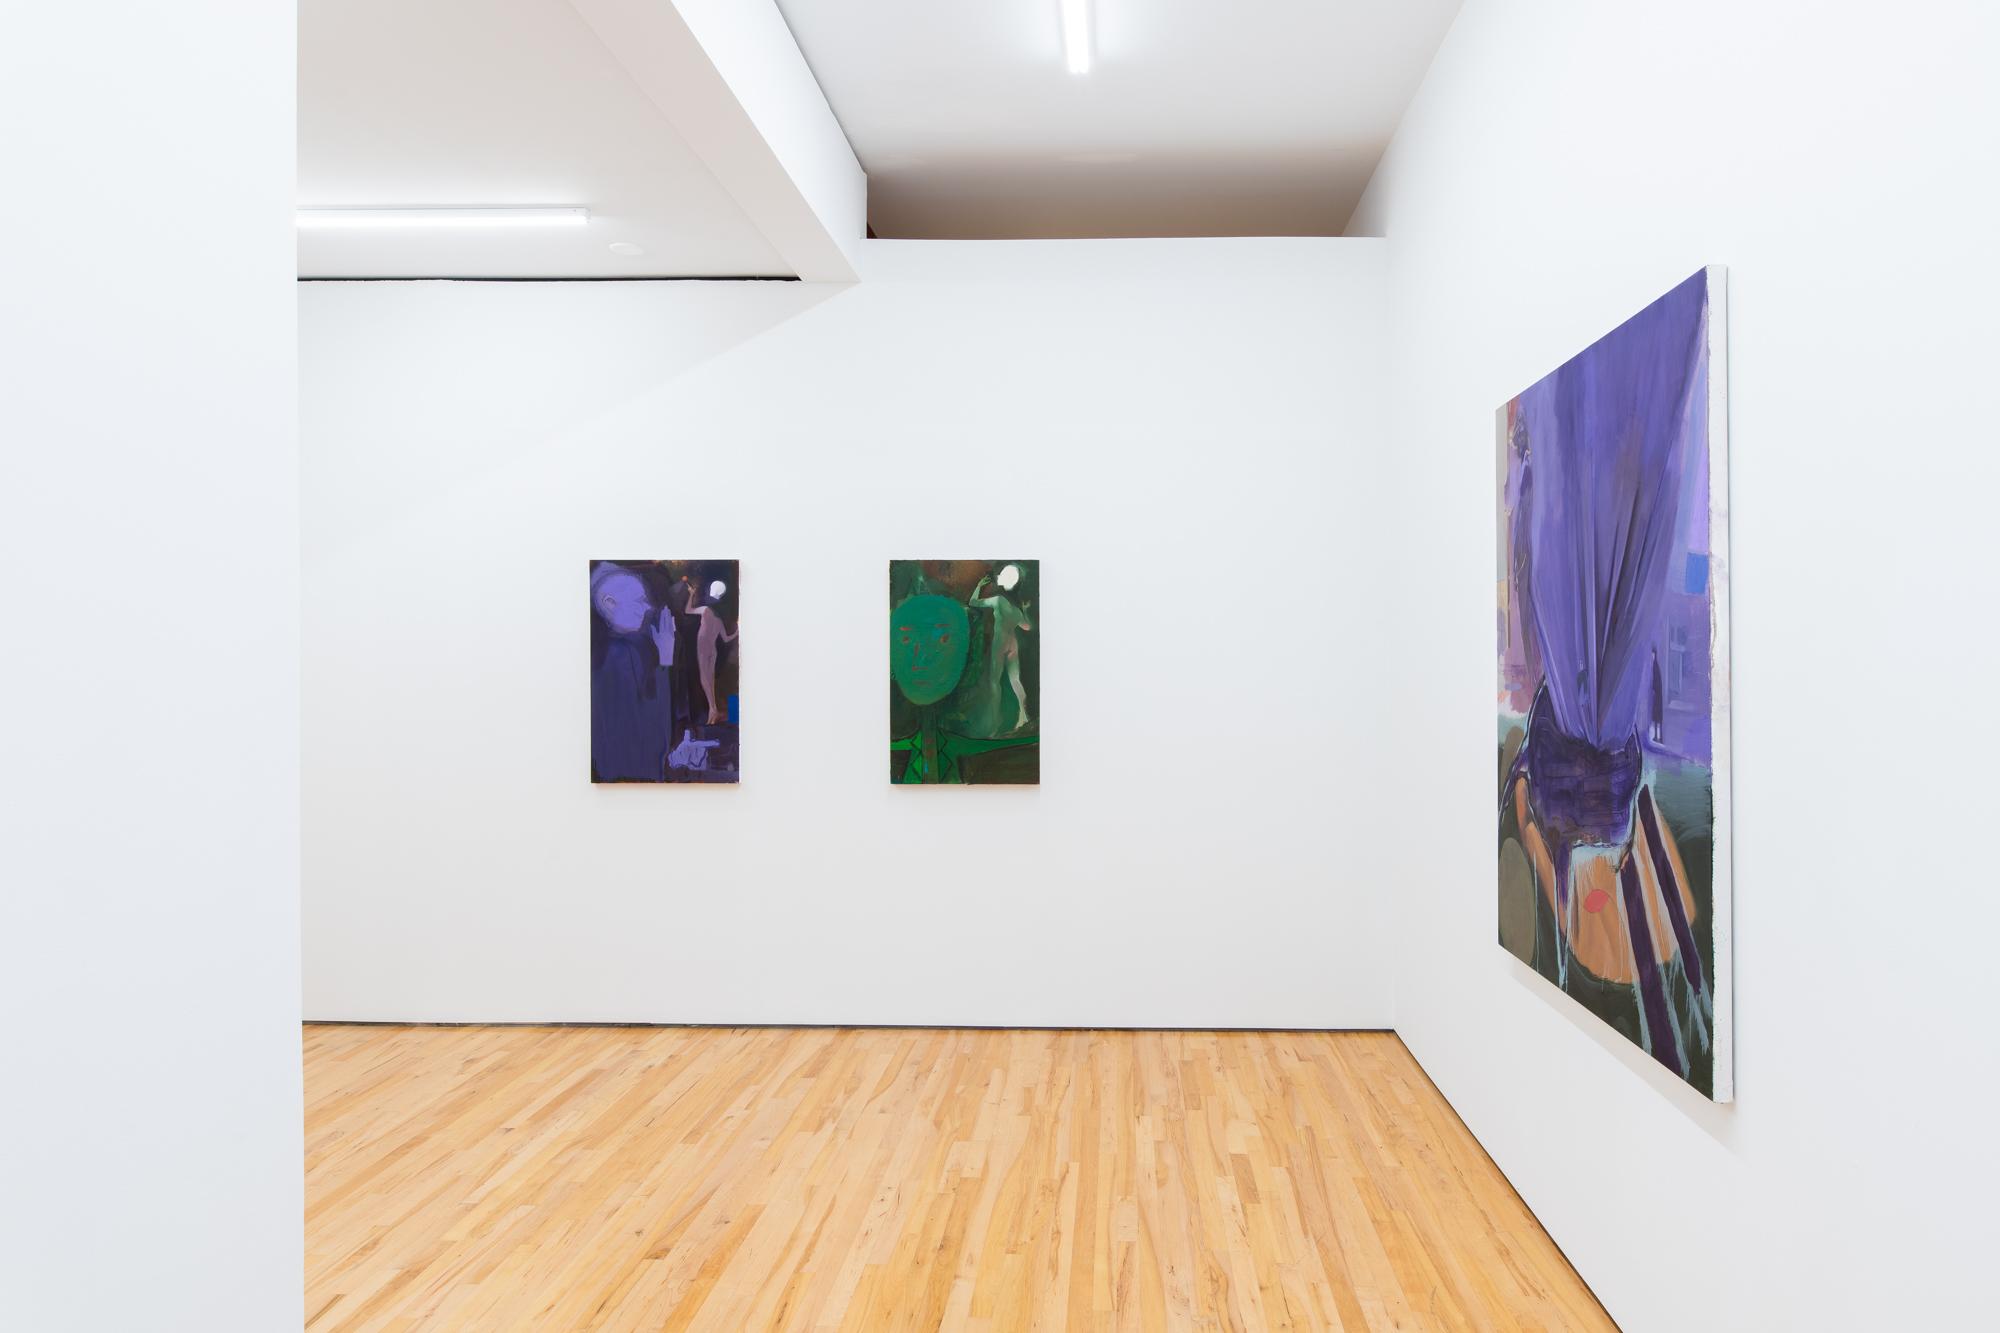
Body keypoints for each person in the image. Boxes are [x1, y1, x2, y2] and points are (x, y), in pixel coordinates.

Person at [588, 562, 677, 781]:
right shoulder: (618, 655)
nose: (647, 607)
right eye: (639, 600)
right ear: (609, 604)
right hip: (631, 776)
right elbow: (651, 734)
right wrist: (666, 658)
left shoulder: (611, 650)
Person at [968, 564, 1032, 733]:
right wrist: (1024, 610)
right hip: (1013, 643)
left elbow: (972, 602)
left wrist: (979, 586)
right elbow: (1027, 627)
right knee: (1015, 680)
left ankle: (995, 723)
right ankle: (1024, 715)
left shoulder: (998, 600)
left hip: (1000, 642)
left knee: (994, 682)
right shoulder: (1016, 610)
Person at [681, 575, 737, 726]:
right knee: (709, 681)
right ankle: (714, 710)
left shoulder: (705, 610)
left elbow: (688, 610)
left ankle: (713, 709)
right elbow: (726, 639)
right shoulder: (718, 621)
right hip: (712, 651)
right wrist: (737, 632)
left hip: (703, 649)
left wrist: (691, 594)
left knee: (705, 680)